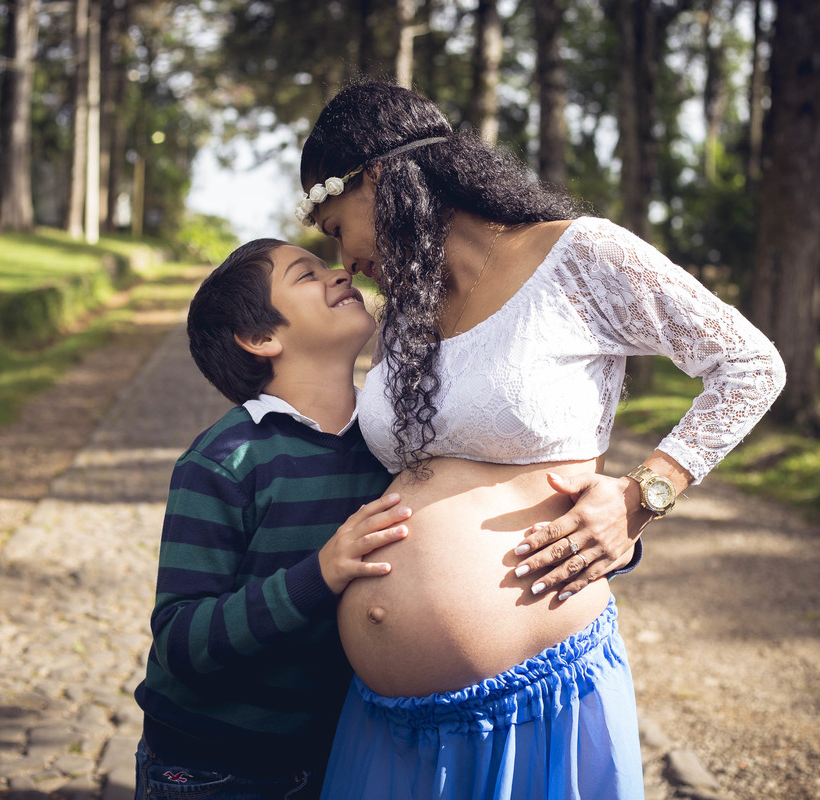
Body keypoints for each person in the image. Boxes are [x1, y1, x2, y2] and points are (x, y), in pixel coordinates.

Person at [297, 80, 786, 799]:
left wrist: (645, 494)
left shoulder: (580, 255)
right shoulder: (406, 307)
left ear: (376, 178)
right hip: (387, 722)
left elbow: (749, 364)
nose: (344, 262)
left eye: (338, 229)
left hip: (533, 701)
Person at [132, 238, 412, 798]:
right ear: (262, 339)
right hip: (215, 766)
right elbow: (181, 641)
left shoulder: (392, 443)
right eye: (306, 275)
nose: (338, 273)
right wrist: (321, 574)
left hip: (338, 755)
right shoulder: (224, 460)